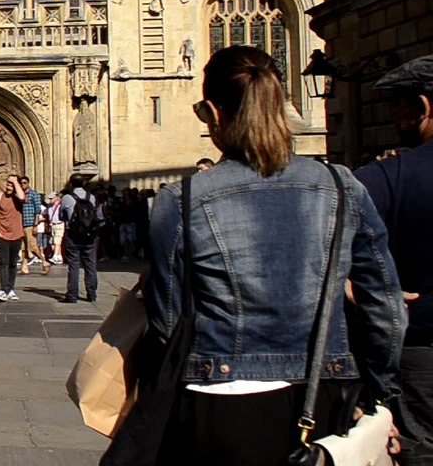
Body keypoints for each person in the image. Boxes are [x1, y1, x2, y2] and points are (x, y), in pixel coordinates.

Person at [132, 45, 406, 464]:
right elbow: (385, 307)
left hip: (218, 400)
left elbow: (169, 321)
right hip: (322, 394)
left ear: (214, 114)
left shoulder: (181, 199)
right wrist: (381, 392)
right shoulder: (341, 186)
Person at [356, 54, 433, 462]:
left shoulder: (388, 177)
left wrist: (354, 290)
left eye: (398, 104)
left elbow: (315, 239)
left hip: (421, 355)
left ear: (421, 107)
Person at [60, 176, 98, 303]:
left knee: (73, 265)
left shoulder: (67, 198)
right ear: (84, 183)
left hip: (73, 235)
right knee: (90, 265)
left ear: (71, 184)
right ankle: (91, 294)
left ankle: (72, 295)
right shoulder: (91, 197)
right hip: (89, 236)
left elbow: (61, 216)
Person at [0, 175, 26, 302]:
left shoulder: (18, 198)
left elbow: (22, 197)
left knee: (13, 263)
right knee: (4, 263)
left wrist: (15, 182)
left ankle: (10, 288)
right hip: (3, 235)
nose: (9, 187)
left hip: (17, 234)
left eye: (12, 185)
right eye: (8, 184)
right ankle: (3, 289)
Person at [18, 176, 48, 275]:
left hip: (30, 223)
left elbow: (37, 210)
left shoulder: (34, 194)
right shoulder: (19, 195)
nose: (22, 185)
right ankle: (24, 267)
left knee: (32, 246)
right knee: (23, 247)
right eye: (21, 183)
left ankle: (44, 262)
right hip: (21, 223)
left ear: (28, 183)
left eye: (24, 183)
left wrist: (35, 224)